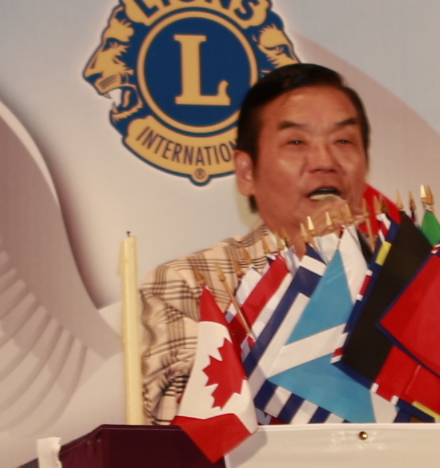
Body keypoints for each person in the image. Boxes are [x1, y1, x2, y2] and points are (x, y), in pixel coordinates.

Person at [133, 62, 379, 422]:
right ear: (247, 172)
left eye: (343, 141)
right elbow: (173, 418)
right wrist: (312, 266)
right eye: (296, 142)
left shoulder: (409, 276)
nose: (325, 161)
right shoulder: (192, 282)